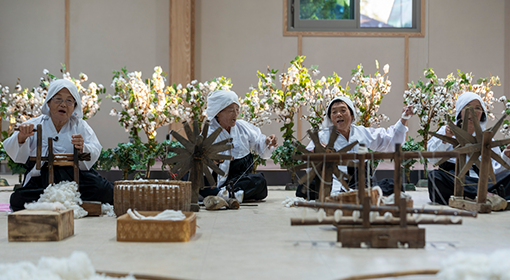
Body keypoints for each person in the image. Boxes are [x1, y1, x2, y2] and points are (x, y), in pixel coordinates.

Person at [4, 79, 114, 211]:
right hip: (43, 178)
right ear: (49, 102)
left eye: (69, 101)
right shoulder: (35, 124)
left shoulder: (79, 125)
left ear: (74, 106)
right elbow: (16, 153)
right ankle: (70, 201)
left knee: (105, 190)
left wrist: (83, 147)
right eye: (58, 99)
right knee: (18, 200)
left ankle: (57, 201)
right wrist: (21, 138)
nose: (63, 104)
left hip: (75, 177)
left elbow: (95, 149)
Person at [296, 96, 414, 199]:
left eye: (343, 110)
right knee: (304, 187)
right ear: (330, 118)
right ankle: (351, 195)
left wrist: (404, 119)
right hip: (331, 182)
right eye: (334, 112)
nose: (338, 114)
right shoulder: (322, 136)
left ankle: (358, 194)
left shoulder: (362, 132)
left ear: (352, 115)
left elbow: (388, 139)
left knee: (394, 184)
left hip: (361, 182)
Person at [427, 92, 510, 208]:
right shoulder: (446, 130)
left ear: (483, 114)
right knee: (435, 177)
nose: (473, 111)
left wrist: (506, 157)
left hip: (483, 181)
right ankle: (488, 196)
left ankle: (477, 195)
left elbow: (495, 170)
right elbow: (432, 158)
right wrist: (446, 139)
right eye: (468, 107)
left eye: (478, 108)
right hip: (453, 179)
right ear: (460, 111)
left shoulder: (487, 136)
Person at [204, 90, 277, 202]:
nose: (236, 114)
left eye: (237, 110)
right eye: (231, 110)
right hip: (217, 182)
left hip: (240, 181)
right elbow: (200, 166)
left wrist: (267, 143)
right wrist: (212, 161)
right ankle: (226, 194)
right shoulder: (208, 133)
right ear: (218, 112)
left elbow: (260, 145)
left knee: (259, 181)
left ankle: (225, 195)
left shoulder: (243, 128)